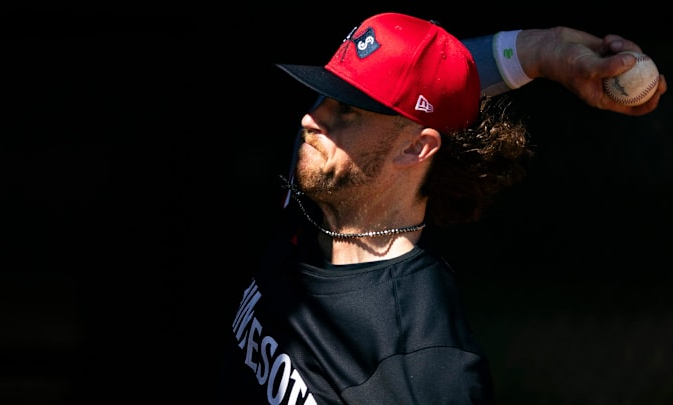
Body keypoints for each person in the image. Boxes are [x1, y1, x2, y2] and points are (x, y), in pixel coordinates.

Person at [216, 12, 666, 404]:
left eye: (347, 109)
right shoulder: (311, 190)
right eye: (326, 95)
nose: (311, 119)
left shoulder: (425, 363)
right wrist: (541, 51)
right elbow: (440, 89)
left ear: (416, 148)